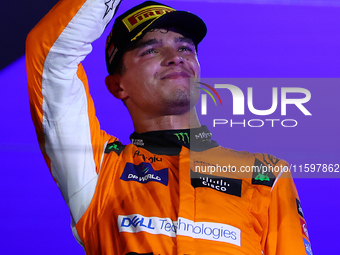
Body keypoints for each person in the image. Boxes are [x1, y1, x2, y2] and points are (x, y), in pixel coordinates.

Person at [26, 0, 312, 254]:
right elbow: (53, 58)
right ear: (117, 86)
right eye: (150, 50)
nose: (176, 57)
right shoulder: (98, 171)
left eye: (185, 47)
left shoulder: (265, 174)